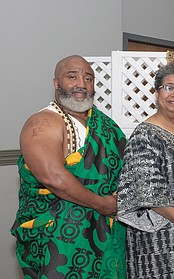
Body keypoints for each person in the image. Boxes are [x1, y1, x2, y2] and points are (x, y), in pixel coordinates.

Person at [10, 55, 126, 278]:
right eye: (72, 77)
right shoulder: (43, 123)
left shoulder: (105, 125)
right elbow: (53, 177)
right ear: (56, 83)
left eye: (88, 78)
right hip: (58, 240)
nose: (81, 84)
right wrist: (102, 204)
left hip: (107, 234)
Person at [116, 63, 174, 278]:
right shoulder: (145, 134)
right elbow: (147, 188)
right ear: (156, 92)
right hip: (157, 237)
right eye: (169, 87)